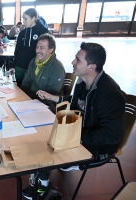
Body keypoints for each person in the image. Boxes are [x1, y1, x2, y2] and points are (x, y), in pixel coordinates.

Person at [22, 42, 125, 199]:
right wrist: (53, 98)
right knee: (40, 133)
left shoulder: (109, 94)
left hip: (99, 148)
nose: (72, 62)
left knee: (46, 145)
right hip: (78, 133)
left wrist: (73, 136)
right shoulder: (83, 82)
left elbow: (112, 135)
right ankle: (41, 180)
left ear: (92, 67)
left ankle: (41, 188)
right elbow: (76, 101)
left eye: (78, 60)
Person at [21, 33, 65, 110]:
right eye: (37, 47)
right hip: (30, 100)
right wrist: (21, 98)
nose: (37, 50)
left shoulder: (57, 68)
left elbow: (51, 96)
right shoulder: (33, 61)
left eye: (42, 47)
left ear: (51, 49)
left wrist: (31, 103)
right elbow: (25, 83)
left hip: (46, 106)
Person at [12, 8, 49, 87]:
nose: (23, 21)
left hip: (33, 67)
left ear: (33, 18)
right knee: (19, 89)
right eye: (23, 19)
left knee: (30, 90)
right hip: (19, 66)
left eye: (25, 19)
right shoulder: (22, 33)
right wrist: (13, 65)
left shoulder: (43, 32)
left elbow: (48, 52)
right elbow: (17, 50)